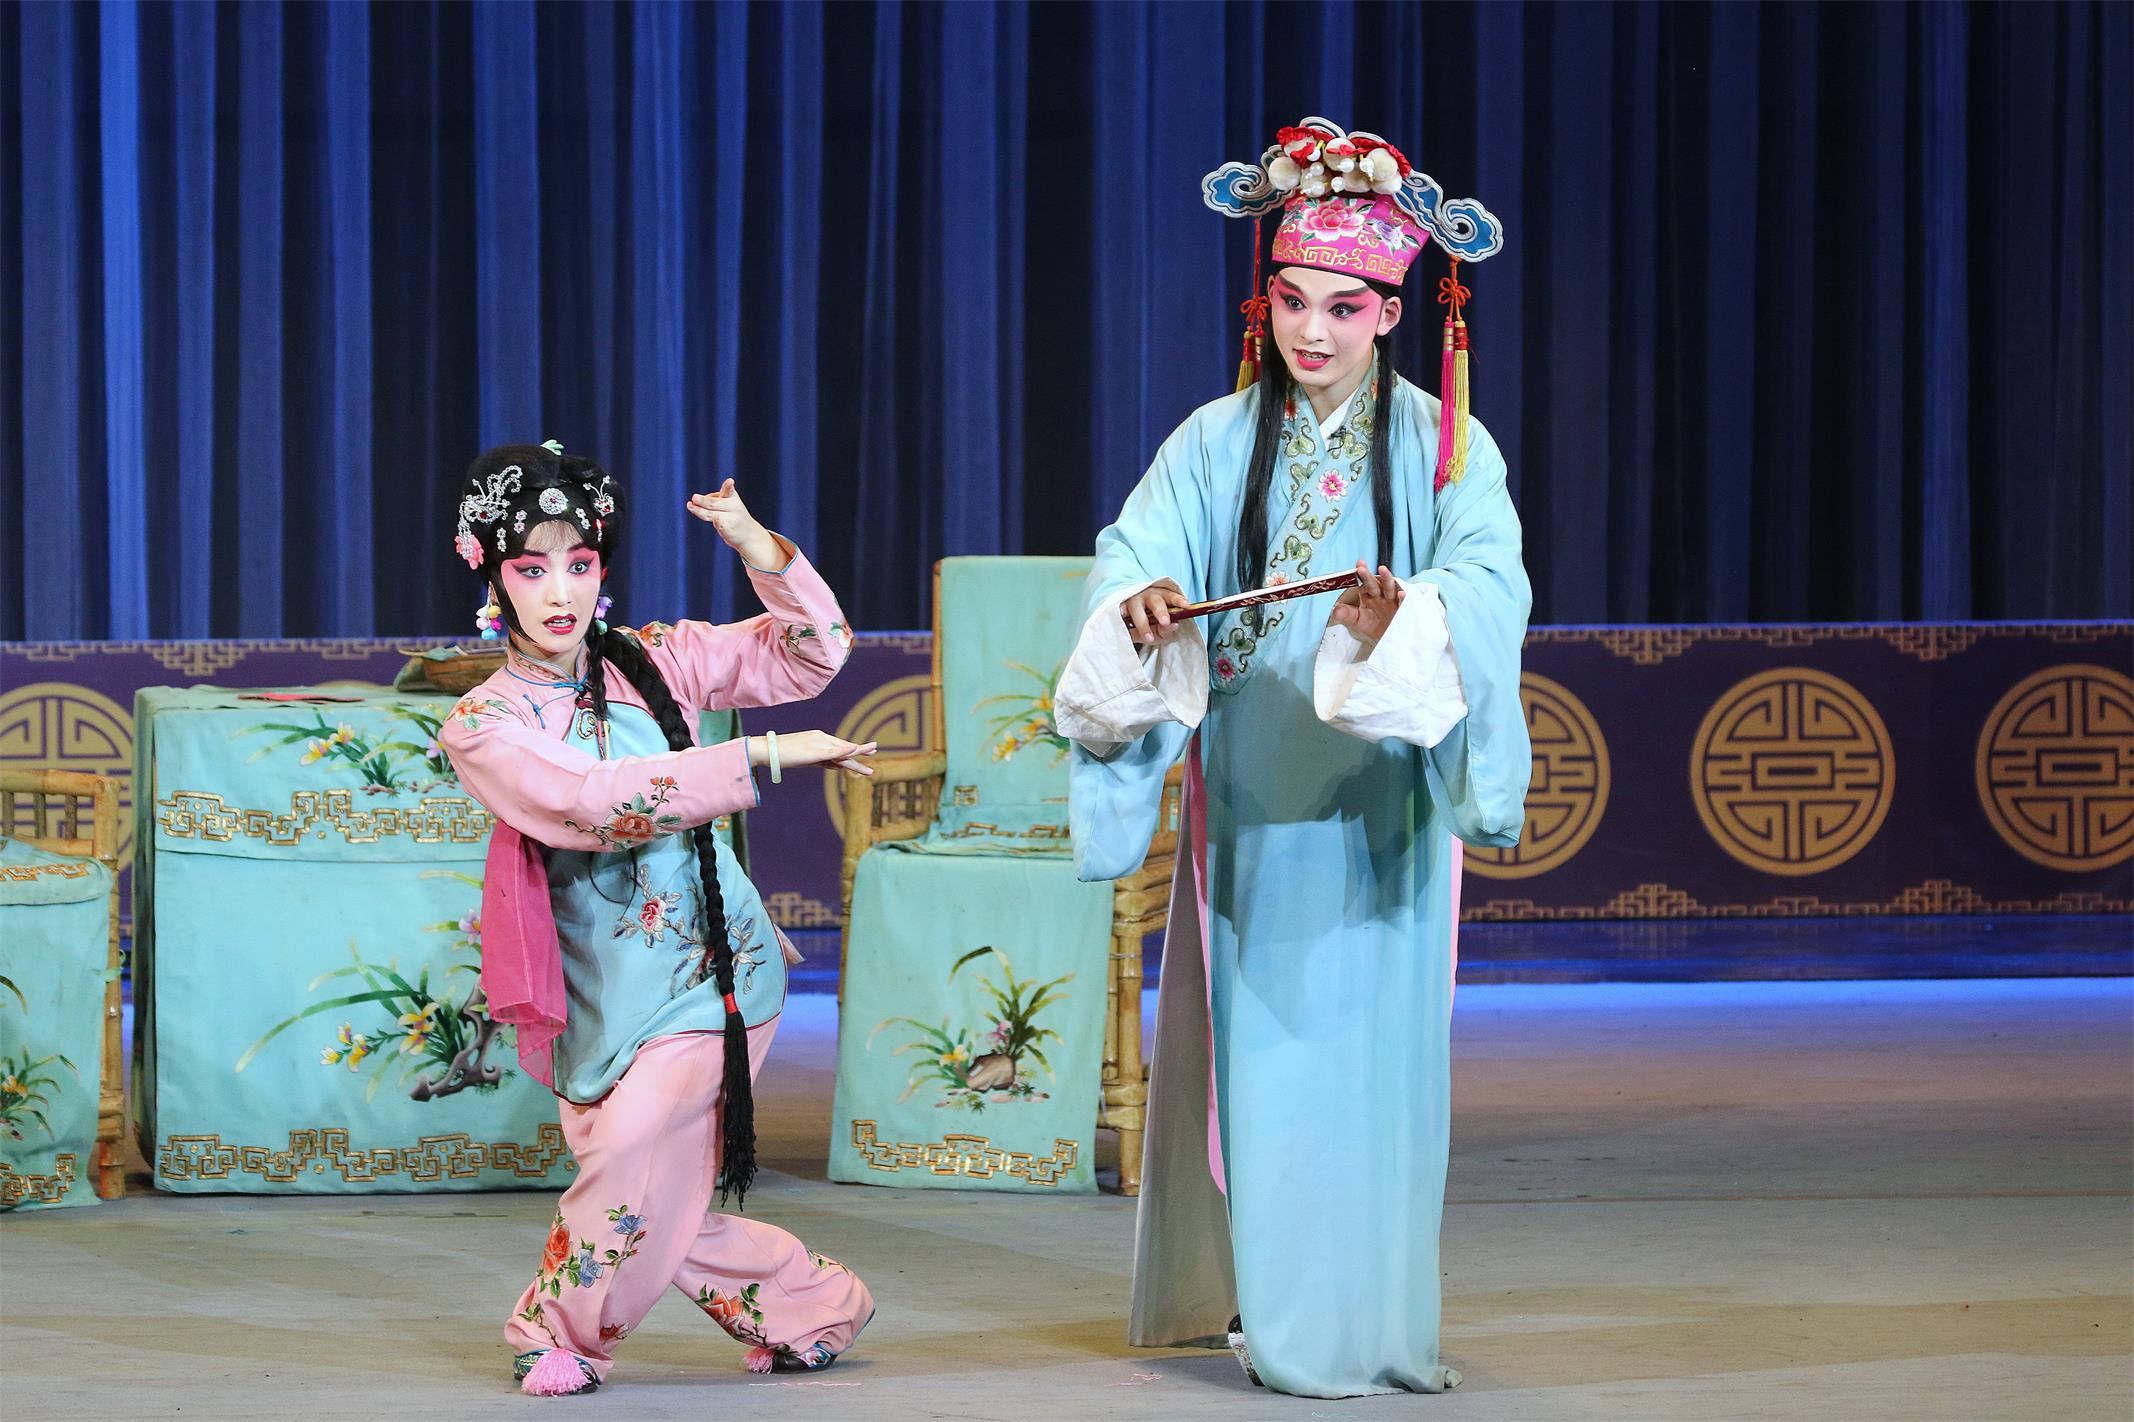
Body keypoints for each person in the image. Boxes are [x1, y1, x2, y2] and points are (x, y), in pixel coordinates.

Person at [1056, 118, 1532, 1399]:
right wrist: (1143, 602)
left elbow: (1490, 588)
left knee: (1370, 1071)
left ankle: (1369, 1326)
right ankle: (1280, 1320)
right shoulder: (1215, 440)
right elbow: (1131, 551)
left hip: (1380, 809)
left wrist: (1407, 620)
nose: (1310, 331)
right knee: (1263, 1068)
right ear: (1262, 300)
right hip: (1254, 803)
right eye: (1290, 299)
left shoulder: (1445, 445)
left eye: (1343, 306)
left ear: (1395, 312)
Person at [438, 442, 876, 1395]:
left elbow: (817, 650)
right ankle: (815, 1306)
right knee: (655, 1195)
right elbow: (592, 802)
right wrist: (756, 758)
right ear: (491, 575)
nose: (561, 591)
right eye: (532, 569)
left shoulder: (658, 660)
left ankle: (552, 1331)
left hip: (716, 972)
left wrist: (760, 547)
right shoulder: (482, 723)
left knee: (633, 1154)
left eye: (580, 563)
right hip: (598, 996)